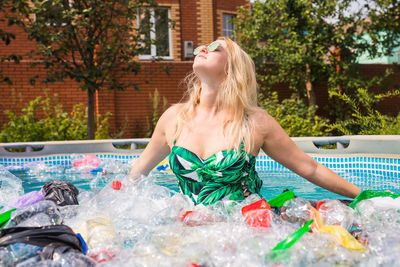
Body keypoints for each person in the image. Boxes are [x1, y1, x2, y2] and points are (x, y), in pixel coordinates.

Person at [129, 36, 360, 206]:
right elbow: (137, 172)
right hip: (190, 229)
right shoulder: (174, 119)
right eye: (200, 47)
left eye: (214, 48)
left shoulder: (255, 122)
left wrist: (364, 197)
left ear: (232, 67)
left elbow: (311, 168)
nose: (202, 50)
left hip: (246, 229)